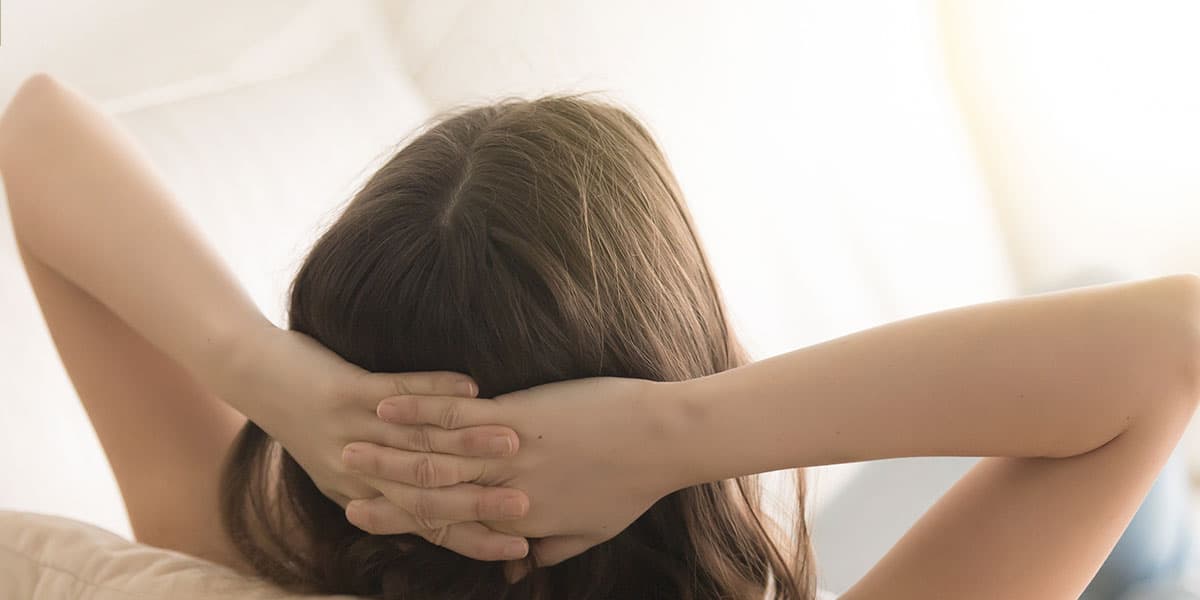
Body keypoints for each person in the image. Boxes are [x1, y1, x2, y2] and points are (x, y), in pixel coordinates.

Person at [2, 72, 1198, 600]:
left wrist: (264, 381)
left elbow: (34, 125)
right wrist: (674, 433)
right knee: (1141, 528)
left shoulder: (225, 549)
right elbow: (1173, 341)